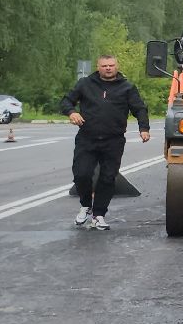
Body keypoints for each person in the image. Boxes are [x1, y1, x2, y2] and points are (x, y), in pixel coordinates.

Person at [59, 55, 151, 231]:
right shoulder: (85, 83)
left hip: (113, 140)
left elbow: (139, 108)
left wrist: (144, 128)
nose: (108, 68)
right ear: (98, 67)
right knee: (81, 174)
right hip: (87, 138)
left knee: (108, 177)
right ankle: (86, 206)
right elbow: (66, 100)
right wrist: (71, 112)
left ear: (117, 66)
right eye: (104, 65)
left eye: (111, 65)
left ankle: (98, 215)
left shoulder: (127, 87)